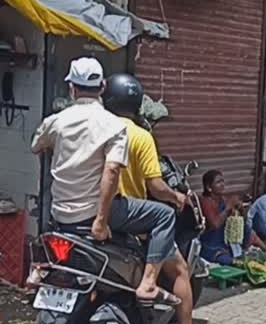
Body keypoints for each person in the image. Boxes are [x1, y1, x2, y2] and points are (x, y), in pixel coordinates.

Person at [31, 58, 183, 309]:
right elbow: (112, 170)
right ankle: (148, 283)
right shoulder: (112, 125)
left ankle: (40, 268)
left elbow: (37, 147)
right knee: (164, 215)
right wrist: (100, 222)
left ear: (72, 87)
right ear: (101, 87)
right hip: (99, 214)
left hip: (61, 213)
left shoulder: (55, 121)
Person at [102, 73, 207, 324]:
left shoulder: (95, 129)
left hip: (88, 215)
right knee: (180, 270)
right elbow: (155, 187)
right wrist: (177, 198)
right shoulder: (140, 136)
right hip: (131, 219)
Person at [199, 170, 266, 265]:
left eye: (223, 181)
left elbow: (239, 221)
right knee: (233, 262)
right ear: (209, 187)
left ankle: (265, 248)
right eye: (218, 182)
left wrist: (239, 210)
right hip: (212, 247)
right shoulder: (206, 202)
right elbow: (215, 224)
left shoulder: (222, 199)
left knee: (247, 229)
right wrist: (228, 207)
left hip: (225, 244)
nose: (222, 184)